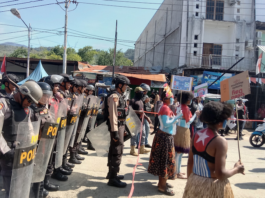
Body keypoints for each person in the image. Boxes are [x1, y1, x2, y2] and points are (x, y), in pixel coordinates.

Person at [182, 101, 245, 198]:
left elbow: (190, 162)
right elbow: (220, 174)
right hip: (212, 186)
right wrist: (237, 169)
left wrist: (190, 182)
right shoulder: (220, 141)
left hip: (195, 181)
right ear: (221, 121)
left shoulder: (196, 135)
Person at [0, 81, 43, 198]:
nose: (29, 104)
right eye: (29, 100)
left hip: (23, 154)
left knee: (22, 187)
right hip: (9, 153)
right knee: (11, 189)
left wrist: (33, 146)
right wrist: (7, 151)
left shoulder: (26, 108)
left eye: (32, 102)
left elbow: (29, 129)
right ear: (22, 93)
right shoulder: (5, 104)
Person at [148, 85, 183, 196]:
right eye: (172, 97)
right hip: (164, 138)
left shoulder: (166, 108)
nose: (173, 99)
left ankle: (162, 183)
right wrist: (177, 117)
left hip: (165, 137)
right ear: (166, 98)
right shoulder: (165, 108)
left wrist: (175, 117)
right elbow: (166, 124)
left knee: (164, 162)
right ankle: (162, 187)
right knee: (165, 162)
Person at [103, 74, 130, 188]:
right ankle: (113, 177)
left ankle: (111, 173)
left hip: (121, 125)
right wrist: (115, 132)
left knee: (114, 148)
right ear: (120, 85)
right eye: (125, 86)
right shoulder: (114, 97)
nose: (126, 88)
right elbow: (113, 115)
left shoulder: (120, 96)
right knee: (117, 150)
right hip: (117, 126)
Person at [174, 91, 199, 179]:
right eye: (190, 99)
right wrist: (195, 115)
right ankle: (178, 172)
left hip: (177, 129)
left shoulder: (178, 107)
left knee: (177, 152)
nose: (191, 101)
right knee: (179, 153)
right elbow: (189, 121)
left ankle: (176, 170)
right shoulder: (186, 109)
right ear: (188, 100)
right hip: (183, 130)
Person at [130, 87, 151, 156]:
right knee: (134, 136)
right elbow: (129, 110)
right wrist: (137, 112)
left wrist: (147, 117)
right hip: (134, 121)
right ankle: (132, 150)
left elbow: (142, 111)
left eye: (143, 92)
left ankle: (142, 149)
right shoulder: (133, 100)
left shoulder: (141, 101)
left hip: (141, 121)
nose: (142, 93)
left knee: (143, 134)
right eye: (141, 92)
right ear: (136, 92)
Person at [137, 83, 152, 148]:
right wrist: (144, 102)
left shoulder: (146, 96)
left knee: (147, 128)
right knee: (140, 130)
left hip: (146, 114)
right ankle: (139, 143)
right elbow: (138, 105)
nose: (146, 92)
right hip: (140, 115)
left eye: (146, 91)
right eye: (145, 91)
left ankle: (145, 142)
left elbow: (148, 105)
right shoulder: (139, 97)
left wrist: (150, 106)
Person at [84, 84, 96, 150]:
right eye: (90, 91)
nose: (91, 92)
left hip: (89, 116)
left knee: (90, 130)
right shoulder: (83, 97)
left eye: (92, 91)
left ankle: (90, 144)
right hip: (83, 117)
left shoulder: (90, 97)